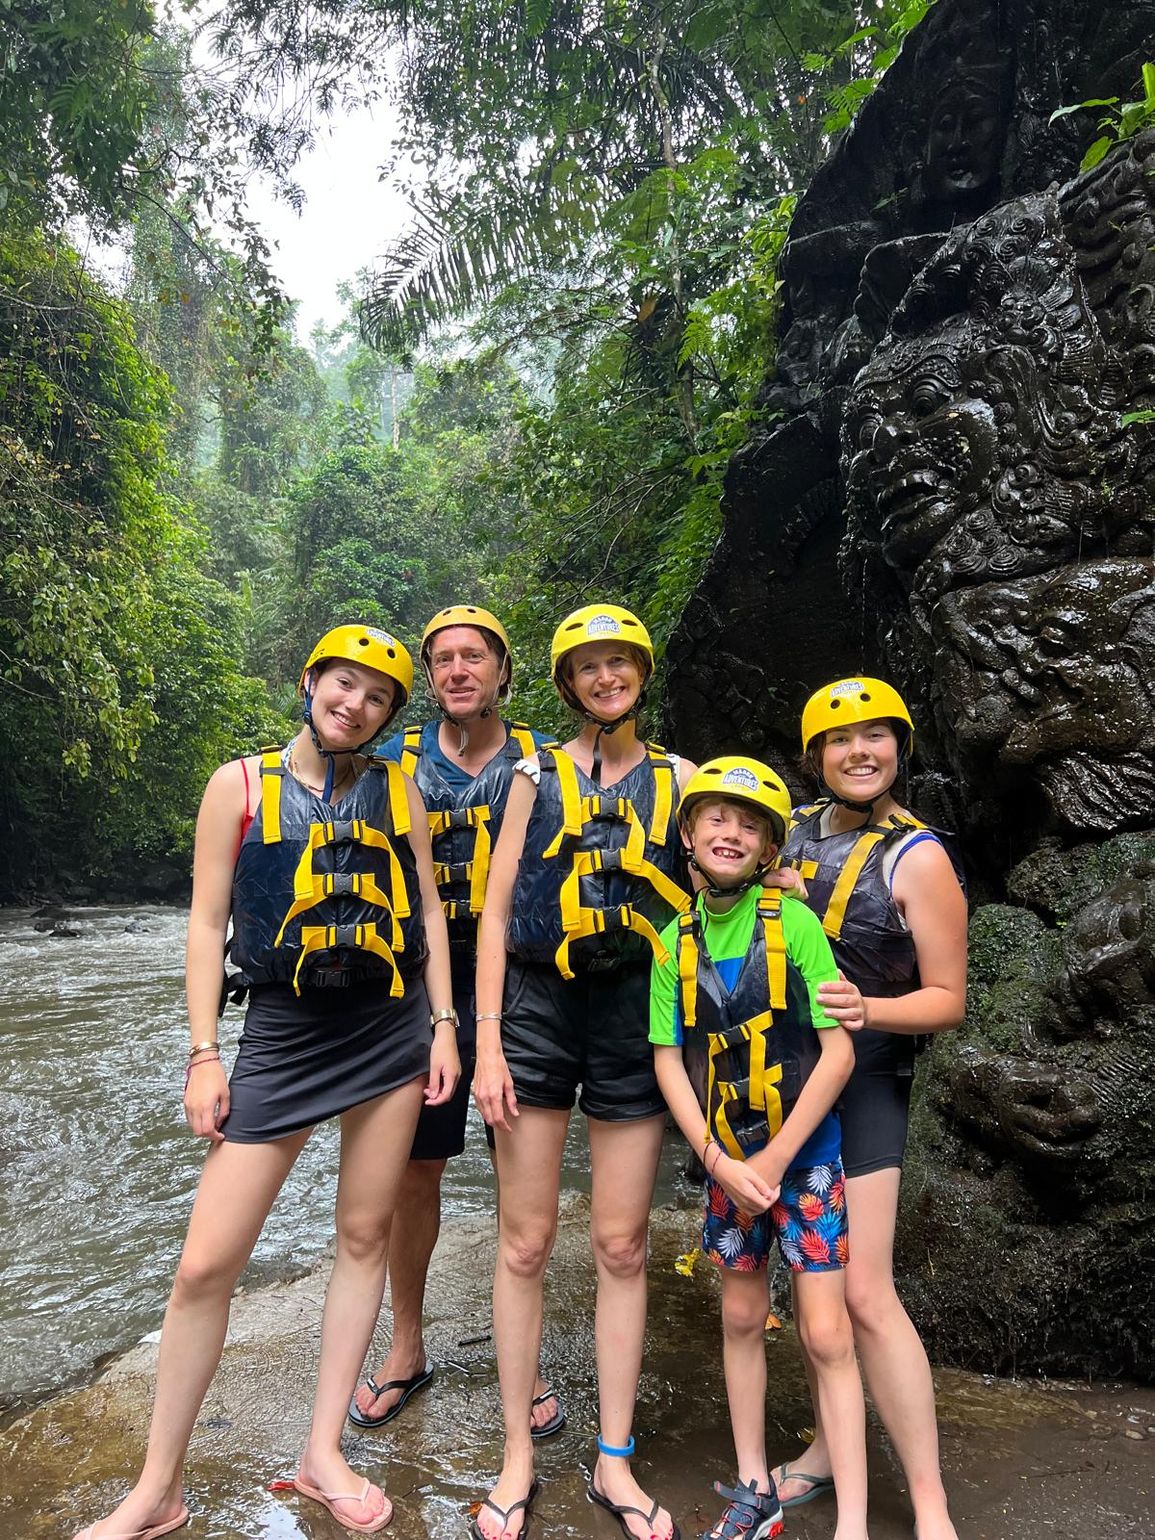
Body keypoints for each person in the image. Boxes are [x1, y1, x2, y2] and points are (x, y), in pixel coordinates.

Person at [72, 625, 460, 1540]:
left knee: (364, 1234)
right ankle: (156, 1489)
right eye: (344, 684)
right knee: (205, 1263)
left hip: (388, 1025)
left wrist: (444, 1024)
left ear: (386, 717)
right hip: (283, 1029)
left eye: (376, 697)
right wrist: (205, 1052)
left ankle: (322, 1453)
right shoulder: (238, 784)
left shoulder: (399, 789)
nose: (355, 704)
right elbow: (207, 924)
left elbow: (432, 914)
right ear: (310, 682)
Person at [471, 604, 694, 1540]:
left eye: (620, 664)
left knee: (620, 1244)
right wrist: (484, 1039)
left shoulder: (682, 779)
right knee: (524, 1243)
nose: (607, 679)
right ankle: (517, 1457)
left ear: (640, 673)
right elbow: (491, 913)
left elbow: (733, 875)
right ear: (567, 684)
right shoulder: (532, 775)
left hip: (632, 1013)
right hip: (535, 1009)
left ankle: (612, 1459)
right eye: (589, 668)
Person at [349, 605, 563, 1439]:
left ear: (502, 671)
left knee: (523, 1173)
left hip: (517, 980)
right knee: (416, 1172)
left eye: (474, 657)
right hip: (419, 981)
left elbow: (670, 795)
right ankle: (406, 1346)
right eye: (442, 661)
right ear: (429, 679)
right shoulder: (392, 763)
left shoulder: (541, 763)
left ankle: (525, 1355)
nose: (458, 671)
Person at [651, 757, 866, 1540]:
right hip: (727, 1162)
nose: (729, 833)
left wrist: (772, 1165)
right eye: (713, 818)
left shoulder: (797, 925)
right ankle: (753, 1485)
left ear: (771, 848)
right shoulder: (672, 941)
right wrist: (715, 1160)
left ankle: (853, 1522)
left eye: (748, 825)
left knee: (825, 1333)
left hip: (802, 1162)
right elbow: (668, 1058)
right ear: (687, 834)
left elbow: (836, 1052)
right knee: (740, 1318)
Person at [773, 678, 967, 1540]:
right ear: (816, 756)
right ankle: (823, 1448)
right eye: (840, 740)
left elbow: (947, 998)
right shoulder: (795, 838)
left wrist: (867, 1010)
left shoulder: (916, 856)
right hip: (785, 1080)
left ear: (898, 748)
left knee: (863, 1291)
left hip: (869, 1079)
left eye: (875, 738)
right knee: (813, 1282)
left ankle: (928, 1502)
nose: (859, 752)